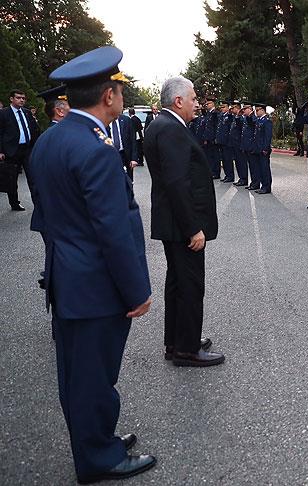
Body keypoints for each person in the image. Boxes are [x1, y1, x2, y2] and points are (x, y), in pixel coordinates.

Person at [29, 45, 156, 483]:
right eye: (119, 89)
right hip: (96, 287)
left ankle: (98, 439)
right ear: (108, 97)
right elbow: (114, 232)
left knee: (79, 373)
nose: (121, 96)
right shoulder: (96, 148)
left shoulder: (52, 138)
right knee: (93, 377)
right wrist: (137, 291)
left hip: (67, 278)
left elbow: (44, 215)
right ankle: (98, 457)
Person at [144, 76, 224, 366]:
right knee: (190, 285)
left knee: (177, 282)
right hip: (182, 225)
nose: (196, 104)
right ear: (178, 101)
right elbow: (177, 183)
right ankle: (187, 349)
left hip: (173, 221)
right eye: (192, 99)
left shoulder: (163, 125)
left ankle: (176, 340)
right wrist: (193, 228)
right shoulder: (172, 129)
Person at [0, 88, 42, 211]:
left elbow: (34, 130)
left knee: (33, 177)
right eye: (18, 98)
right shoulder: (3, 113)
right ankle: (14, 203)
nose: (21, 100)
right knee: (11, 179)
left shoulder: (27, 112)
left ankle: (38, 204)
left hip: (28, 149)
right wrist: (1, 151)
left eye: (23, 98)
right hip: (11, 151)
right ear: (11, 99)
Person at [108, 111, 139, 181]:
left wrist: (134, 158)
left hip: (125, 154)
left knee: (128, 179)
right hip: (111, 154)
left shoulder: (126, 120)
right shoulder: (104, 121)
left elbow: (133, 139)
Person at [253, 103, 273, 194]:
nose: (256, 112)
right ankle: (263, 185)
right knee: (260, 168)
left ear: (262, 110)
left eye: (257, 110)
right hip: (258, 148)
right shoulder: (258, 120)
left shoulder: (267, 121)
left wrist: (265, 148)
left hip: (263, 149)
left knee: (265, 169)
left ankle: (266, 186)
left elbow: (268, 136)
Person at [240, 104, 260, 190]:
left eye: (245, 109)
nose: (243, 111)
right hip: (247, 146)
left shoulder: (253, 117)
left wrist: (250, 114)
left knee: (254, 166)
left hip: (252, 146)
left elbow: (252, 123)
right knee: (251, 166)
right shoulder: (245, 118)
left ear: (250, 109)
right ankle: (253, 182)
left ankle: (256, 183)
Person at [227, 101, 246, 187]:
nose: (232, 109)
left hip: (239, 143)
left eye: (233, 108)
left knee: (241, 162)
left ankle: (243, 179)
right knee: (237, 162)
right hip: (234, 143)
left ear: (238, 108)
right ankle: (241, 178)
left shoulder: (241, 118)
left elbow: (240, 125)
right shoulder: (234, 117)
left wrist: (238, 115)